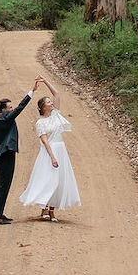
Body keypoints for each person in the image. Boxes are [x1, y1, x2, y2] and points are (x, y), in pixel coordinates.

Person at [19, 76, 81, 221]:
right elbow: (45, 141)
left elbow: (57, 94)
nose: (51, 103)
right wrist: (52, 157)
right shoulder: (40, 123)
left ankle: (52, 210)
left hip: (61, 149)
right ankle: (44, 208)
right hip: (49, 152)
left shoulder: (55, 115)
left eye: (50, 101)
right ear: (43, 107)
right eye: (48, 102)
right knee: (48, 179)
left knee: (59, 180)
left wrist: (45, 81)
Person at [0, 83, 37, 224]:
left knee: (2, 185)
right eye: (10, 107)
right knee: (4, 185)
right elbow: (21, 107)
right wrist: (31, 92)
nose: (12, 109)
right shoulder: (7, 118)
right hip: (7, 154)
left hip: (0, 156)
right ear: (3, 110)